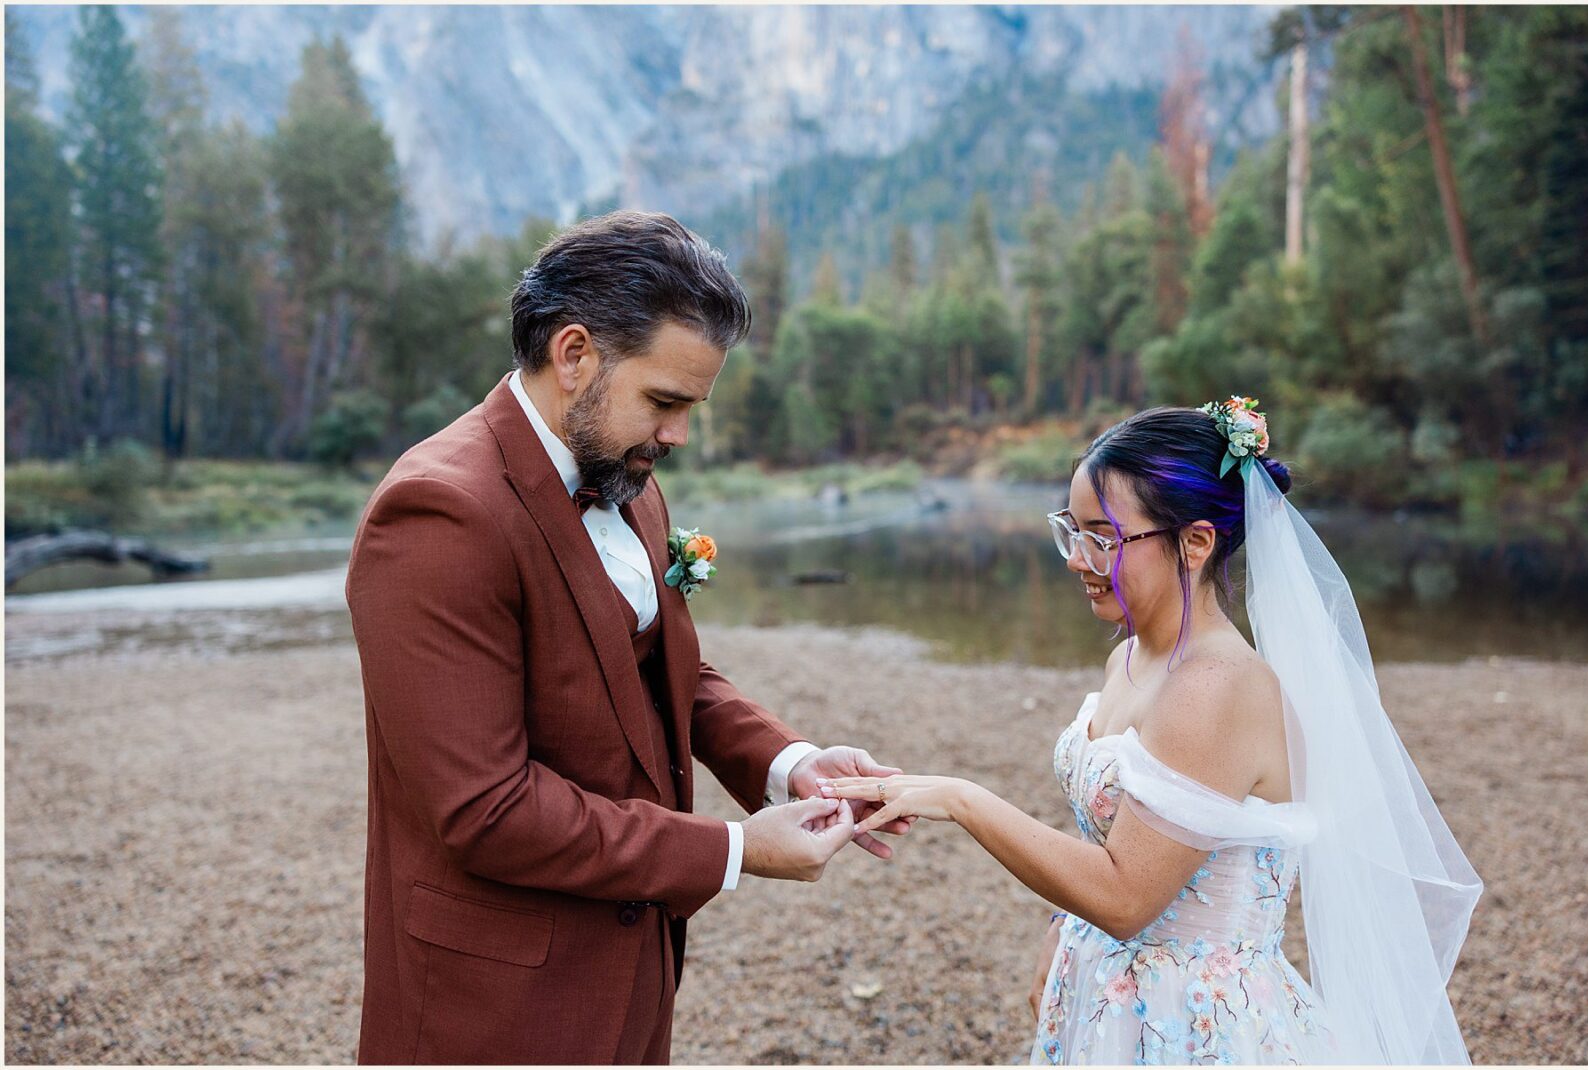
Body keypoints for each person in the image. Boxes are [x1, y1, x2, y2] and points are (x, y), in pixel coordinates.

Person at [345, 211, 910, 1064]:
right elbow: (483, 811)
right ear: (574, 355)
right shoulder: (439, 514)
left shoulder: (630, 478)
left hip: (631, 967)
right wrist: (730, 850)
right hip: (492, 1002)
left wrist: (789, 764)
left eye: (691, 408)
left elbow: (658, 669)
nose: (679, 435)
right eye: (665, 401)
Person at [821, 398, 1482, 1065]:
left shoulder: (1215, 688)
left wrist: (964, 800)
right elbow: (1115, 842)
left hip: (1191, 1022)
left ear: (1194, 544)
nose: (1077, 559)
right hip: (1105, 992)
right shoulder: (1130, 657)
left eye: (1102, 538)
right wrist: (1064, 927)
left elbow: (1126, 895)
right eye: (1070, 530)